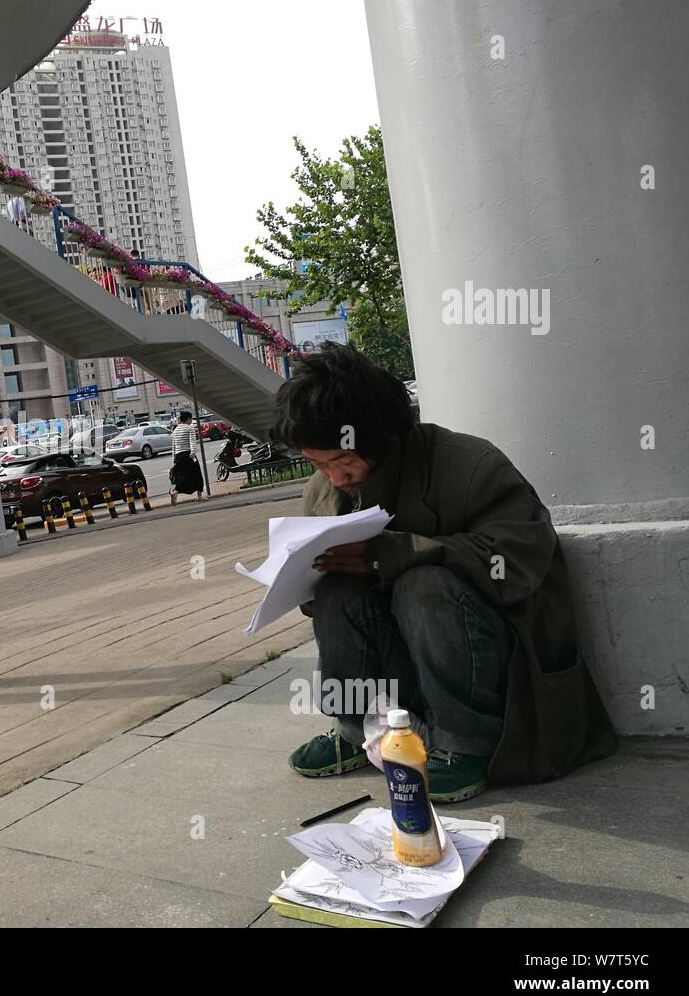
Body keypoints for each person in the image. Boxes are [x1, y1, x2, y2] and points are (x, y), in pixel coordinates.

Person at [274, 343, 615, 802]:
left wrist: (394, 554)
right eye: (318, 464)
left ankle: (463, 745)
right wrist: (309, 573)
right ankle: (355, 729)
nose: (334, 478)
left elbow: (521, 562)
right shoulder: (325, 490)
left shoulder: (469, 465)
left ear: (381, 435)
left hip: (495, 668)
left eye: (342, 461)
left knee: (424, 583)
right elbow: (324, 602)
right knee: (336, 589)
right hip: (407, 666)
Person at [168, 410, 204, 503]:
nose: (191, 421)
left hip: (178, 456)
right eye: (191, 419)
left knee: (182, 477)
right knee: (197, 474)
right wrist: (193, 452)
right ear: (188, 419)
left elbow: (174, 446)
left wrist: (174, 459)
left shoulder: (175, 430)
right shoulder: (190, 428)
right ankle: (199, 496)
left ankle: (175, 492)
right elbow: (192, 441)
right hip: (188, 455)